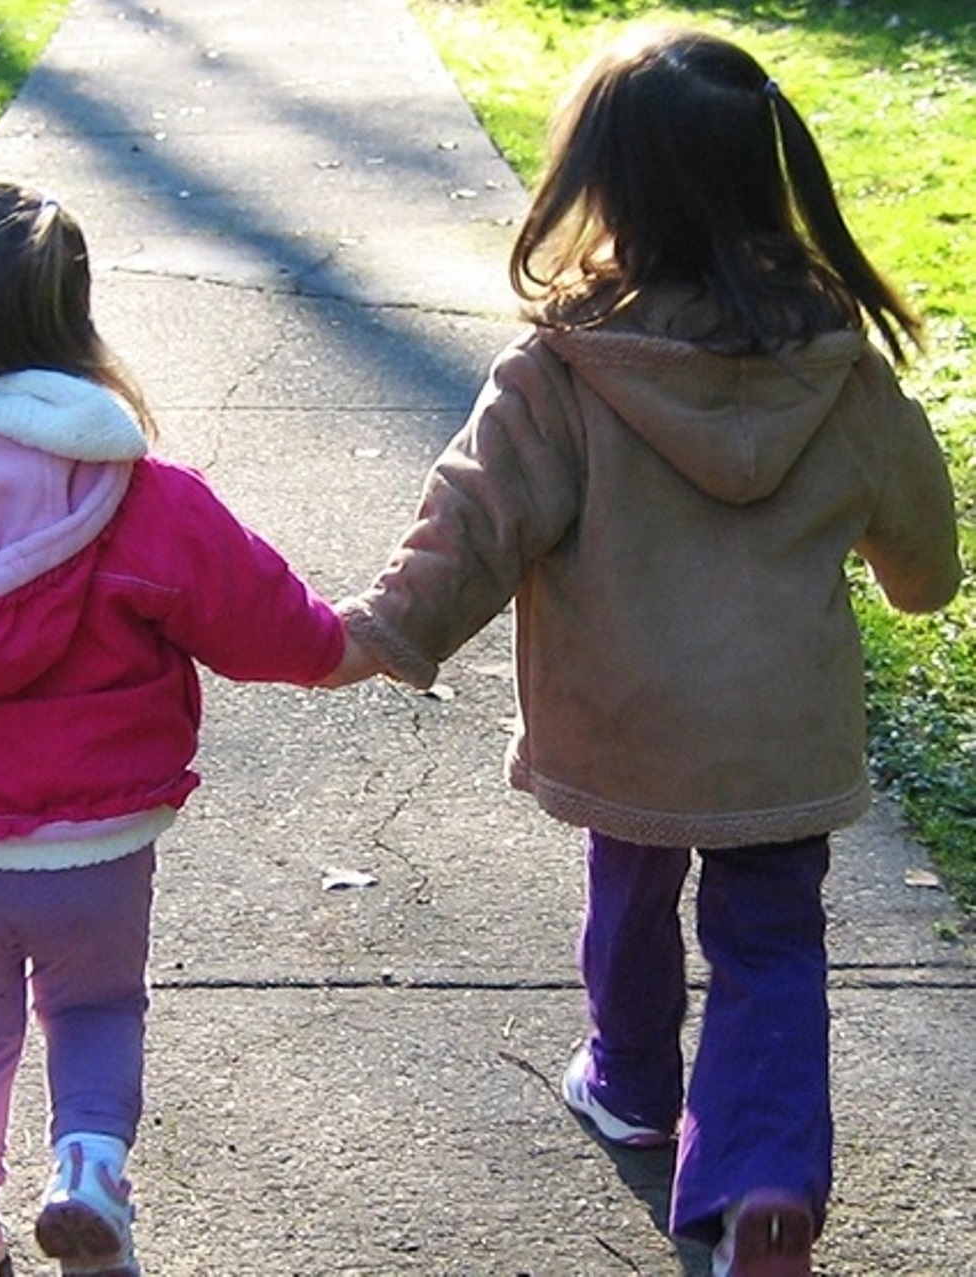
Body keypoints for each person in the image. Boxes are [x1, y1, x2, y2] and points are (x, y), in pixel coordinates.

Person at [330, 26, 961, 1277]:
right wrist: (915, 584)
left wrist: (381, 633)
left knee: (631, 891)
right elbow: (923, 538)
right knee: (772, 936)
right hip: (782, 724)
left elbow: (474, 519)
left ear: (601, 183)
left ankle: (628, 1082)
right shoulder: (837, 363)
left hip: (623, 716)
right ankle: (763, 1173)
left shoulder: (564, 364)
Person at [0, 176, 362, 1277]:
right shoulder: (140, 495)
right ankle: (88, 1164)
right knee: (93, 1006)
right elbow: (255, 615)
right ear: (69, 314)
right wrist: (336, 644)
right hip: (96, 839)